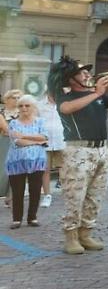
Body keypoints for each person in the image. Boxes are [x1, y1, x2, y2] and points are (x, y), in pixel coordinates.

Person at [49, 56, 108, 255]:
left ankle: (86, 233)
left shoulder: (98, 96)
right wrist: (97, 93)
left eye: (87, 71)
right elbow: (66, 109)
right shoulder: (66, 97)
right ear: (71, 79)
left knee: (95, 196)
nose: (87, 74)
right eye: (82, 72)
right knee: (74, 196)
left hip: (101, 150)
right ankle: (71, 236)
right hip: (78, 151)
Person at [0, 95, 48, 228]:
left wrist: (25, 136)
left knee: (35, 190)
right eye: (21, 106)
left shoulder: (40, 122)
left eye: (27, 105)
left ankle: (32, 217)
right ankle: (16, 219)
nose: (24, 108)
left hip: (37, 162)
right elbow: (17, 142)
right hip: (16, 162)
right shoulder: (14, 123)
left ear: (33, 107)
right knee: (17, 191)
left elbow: (44, 137)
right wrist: (38, 142)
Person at [38, 94, 65, 208]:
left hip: (62, 140)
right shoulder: (39, 105)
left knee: (65, 169)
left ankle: (68, 193)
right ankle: (47, 195)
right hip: (45, 141)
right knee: (45, 170)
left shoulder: (65, 102)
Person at [0, 89, 22, 208]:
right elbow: (6, 130)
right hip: (4, 144)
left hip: (20, 144)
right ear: (7, 99)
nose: (17, 100)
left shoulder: (23, 113)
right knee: (3, 171)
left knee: (17, 170)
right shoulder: (1, 112)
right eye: (14, 98)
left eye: (19, 98)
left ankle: (11, 197)